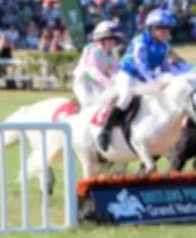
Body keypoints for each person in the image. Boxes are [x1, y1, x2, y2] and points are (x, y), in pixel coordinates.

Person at [96, 8, 173, 152]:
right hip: (128, 75)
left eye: (167, 28)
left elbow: (165, 67)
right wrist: (154, 81)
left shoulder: (165, 46)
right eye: (161, 28)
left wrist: (169, 80)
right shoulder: (140, 41)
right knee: (126, 96)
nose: (165, 32)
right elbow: (141, 64)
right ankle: (105, 131)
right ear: (151, 28)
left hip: (144, 78)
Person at [72, 21, 121, 107]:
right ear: (101, 40)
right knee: (89, 106)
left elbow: (116, 71)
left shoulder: (112, 54)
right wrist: (110, 84)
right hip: (83, 83)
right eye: (110, 39)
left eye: (114, 39)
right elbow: (93, 71)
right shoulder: (91, 50)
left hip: (99, 85)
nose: (113, 42)